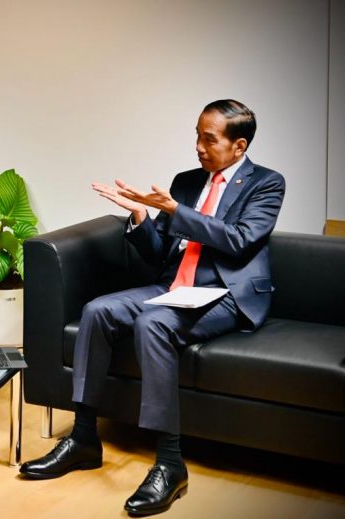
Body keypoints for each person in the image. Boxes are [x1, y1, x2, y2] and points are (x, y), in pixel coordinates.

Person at [19, 99, 285, 516]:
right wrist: (142, 218)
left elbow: (238, 240)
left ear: (239, 146)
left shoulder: (266, 183)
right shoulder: (185, 181)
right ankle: (84, 437)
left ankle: (169, 462)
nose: (198, 146)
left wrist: (177, 211)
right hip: (173, 286)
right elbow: (160, 253)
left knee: (153, 324)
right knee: (97, 310)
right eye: (196, 134)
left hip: (226, 295)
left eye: (209, 138)